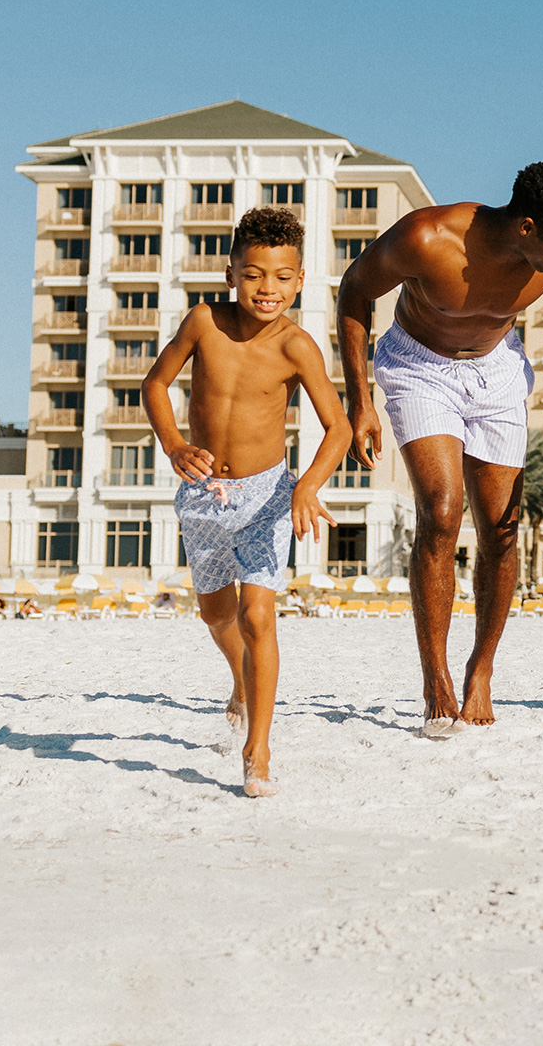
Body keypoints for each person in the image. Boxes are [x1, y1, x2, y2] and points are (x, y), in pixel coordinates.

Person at [337, 160, 543, 737]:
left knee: (502, 528)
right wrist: (359, 400)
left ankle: (481, 668)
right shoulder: (427, 237)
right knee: (441, 513)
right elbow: (355, 291)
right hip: (418, 366)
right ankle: (436, 676)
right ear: (528, 226)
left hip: (498, 370)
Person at [144, 206, 350, 796]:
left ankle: (258, 748)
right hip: (202, 495)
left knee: (258, 615)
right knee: (216, 615)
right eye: (255, 274)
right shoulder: (203, 321)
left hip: (266, 496)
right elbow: (155, 384)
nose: (268, 289)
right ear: (232, 271)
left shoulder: (298, 346)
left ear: (301, 280)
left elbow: (335, 427)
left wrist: (307, 485)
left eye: (283, 277)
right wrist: (176, 444)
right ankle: (238, 677)